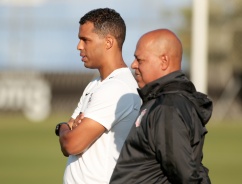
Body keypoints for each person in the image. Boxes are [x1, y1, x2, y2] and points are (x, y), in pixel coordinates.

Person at [109, 29, 212, 184]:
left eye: (140, 60)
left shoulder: (168, 107)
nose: (133, 64)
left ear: (164, 61)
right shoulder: (160, 101)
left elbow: (186, 175)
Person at [55, 8, 141, 184]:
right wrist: (68, 130)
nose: (79, 46)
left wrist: (63, 128)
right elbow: (69, 143)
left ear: (108, 42)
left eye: (85, 40)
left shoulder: (116, 87)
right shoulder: (96, 84)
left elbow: (71, 144)